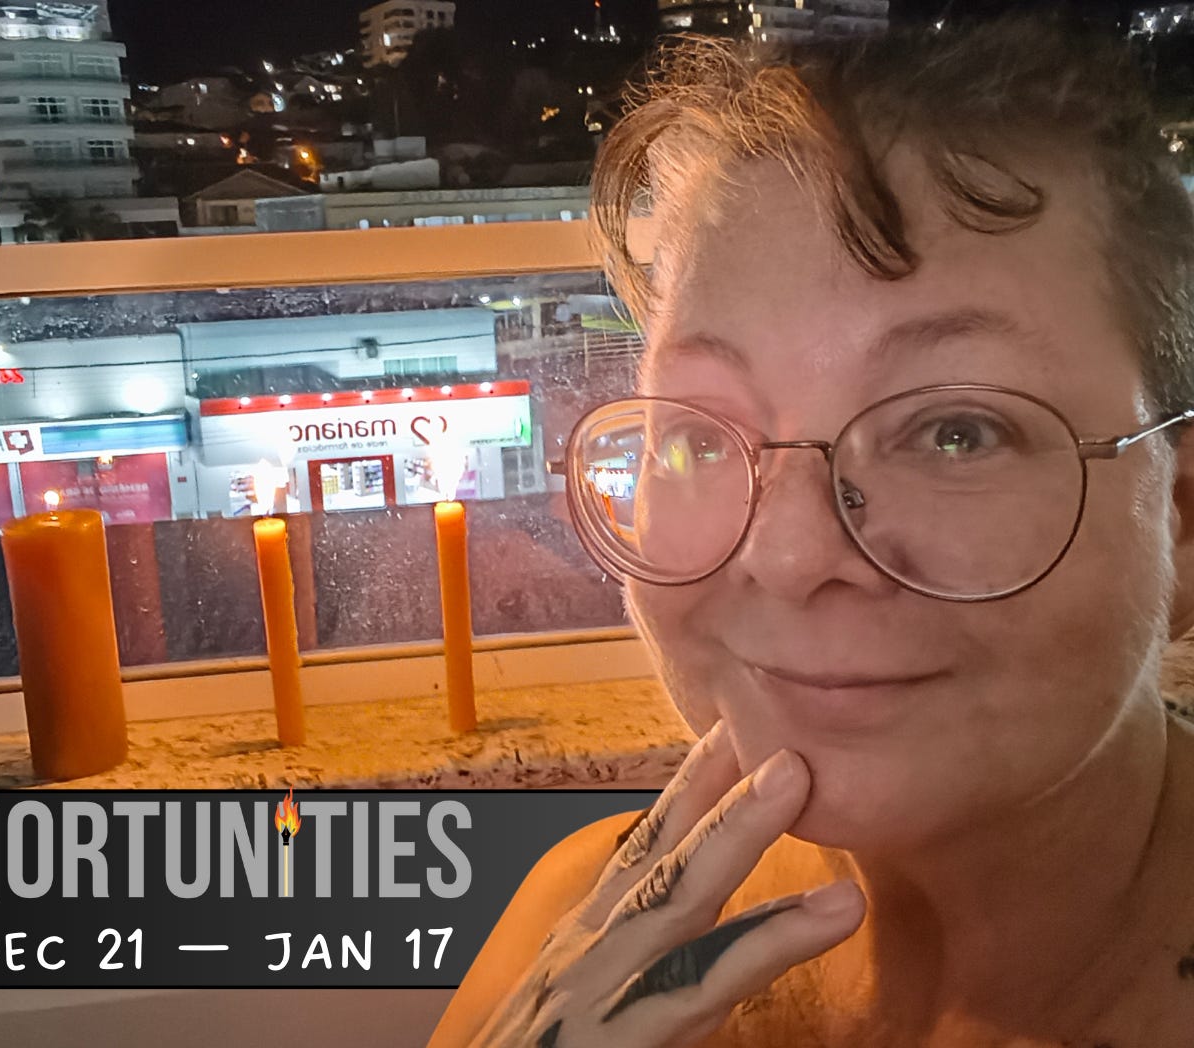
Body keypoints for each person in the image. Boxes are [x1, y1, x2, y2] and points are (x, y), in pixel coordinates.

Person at [429, 16, 1194, 1048]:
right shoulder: (580, 931)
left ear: (1181, 517)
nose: (787, 556)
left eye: (955, 431)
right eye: (699, 437)